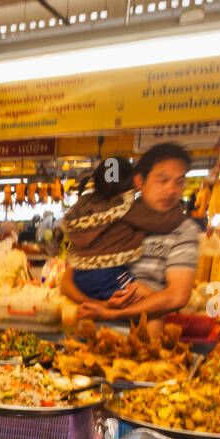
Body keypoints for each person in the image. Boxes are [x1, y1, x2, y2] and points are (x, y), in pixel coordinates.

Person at [63, 142, 199, 337]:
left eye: (179, 182)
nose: (171, 190)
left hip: (140, 344)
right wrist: (101, 306)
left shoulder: (184, 230)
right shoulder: (112, 215)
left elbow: (177, 297)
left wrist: (111, 312)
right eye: (162, 180)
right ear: (139, 181)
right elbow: (67, 281)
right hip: (92, 335)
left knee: (154, 313)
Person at [60, 156, 188, 302]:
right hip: (107, 273)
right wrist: (175, 205)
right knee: (157, 303)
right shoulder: (126, 208)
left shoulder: (84, 206)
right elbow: (163, 222)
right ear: (131, 181)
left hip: (79, 275)